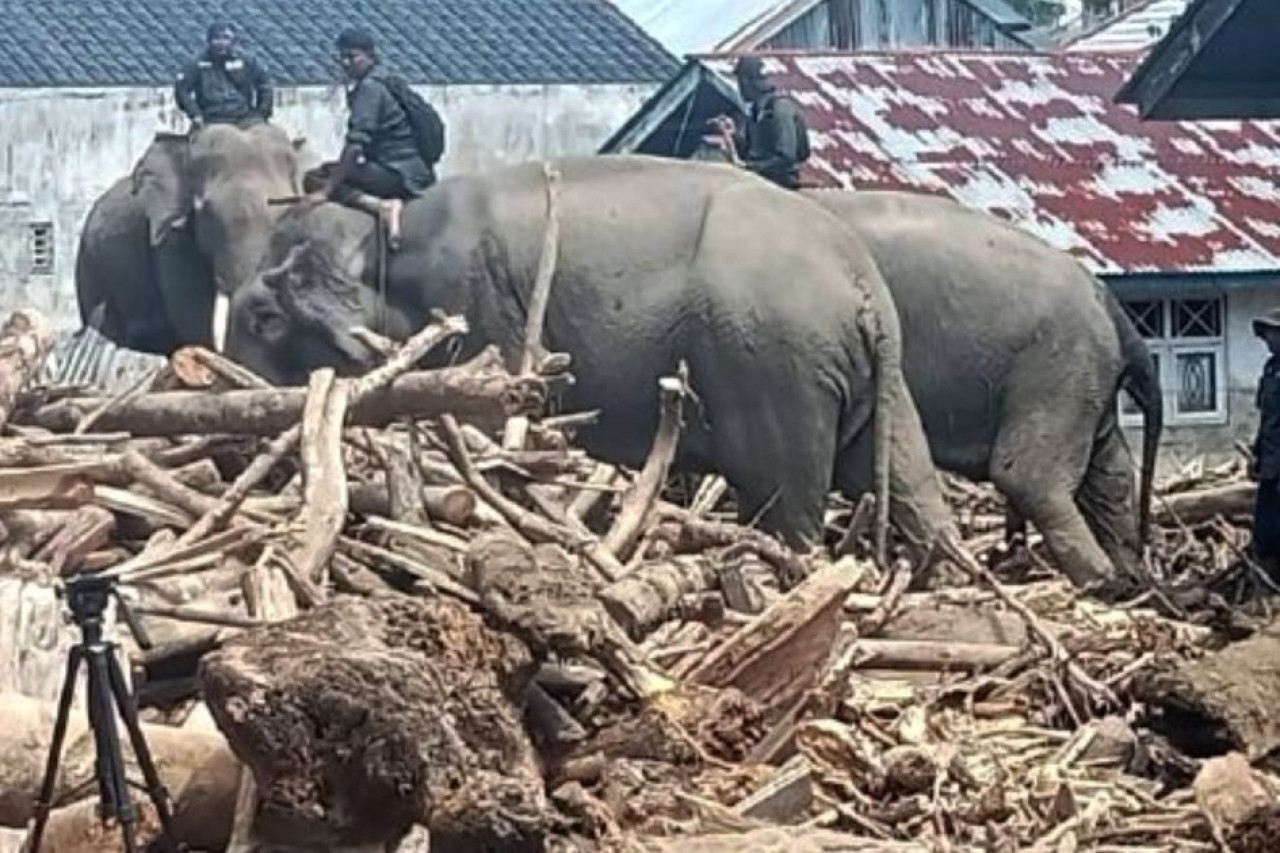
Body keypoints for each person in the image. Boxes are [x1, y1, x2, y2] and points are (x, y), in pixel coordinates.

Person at [304, 29, 437, 248]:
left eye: (352, 56)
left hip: (395, 173)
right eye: (342, 57)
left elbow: (355, 145)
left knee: (315, 177)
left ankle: (379, 206)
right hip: (418, 171)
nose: (346, 63)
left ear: (371, 56)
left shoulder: (369, 89)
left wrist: (327, 190)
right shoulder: (388, 81)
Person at [712, 55, 811, 190]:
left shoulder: (780, 109)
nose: (740, 87)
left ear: (749, 81)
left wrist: (750, 167)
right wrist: (733, 134)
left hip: (779, 185)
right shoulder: (755, 112)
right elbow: (752, 152)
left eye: (741, 81)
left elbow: (787, 157)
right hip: (758, 180)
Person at [174, 22, 273, 128]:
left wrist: (261, 113)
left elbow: (265, 85)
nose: (221, 42)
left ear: (234, 40)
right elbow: (182, 90)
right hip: (209, 120)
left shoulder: (247, 61)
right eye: (216, 38)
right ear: (209, 40)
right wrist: (195, 114)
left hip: (243, 119)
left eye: (226, 38)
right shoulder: (196, 63)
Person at [1250, 308, 1280, 578]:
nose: (1268, 339)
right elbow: (1266, 420)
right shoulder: (1270, 370)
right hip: (1271, 464)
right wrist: (1257, 454)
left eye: (1274, 333)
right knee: (1265, 527)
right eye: (1267, 333)